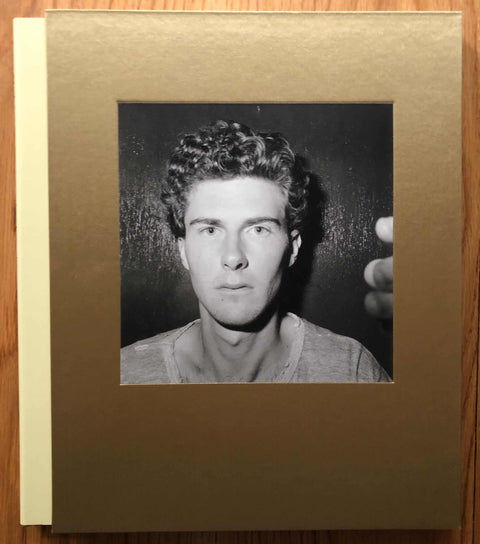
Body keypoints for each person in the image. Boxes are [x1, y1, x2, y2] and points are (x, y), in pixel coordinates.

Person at [121, 120, 392, 384]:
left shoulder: (351, 371)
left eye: (258, 230)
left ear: (293, 248)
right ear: (183, 251)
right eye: (211, 230)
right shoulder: (126, 375)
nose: (233, 257)